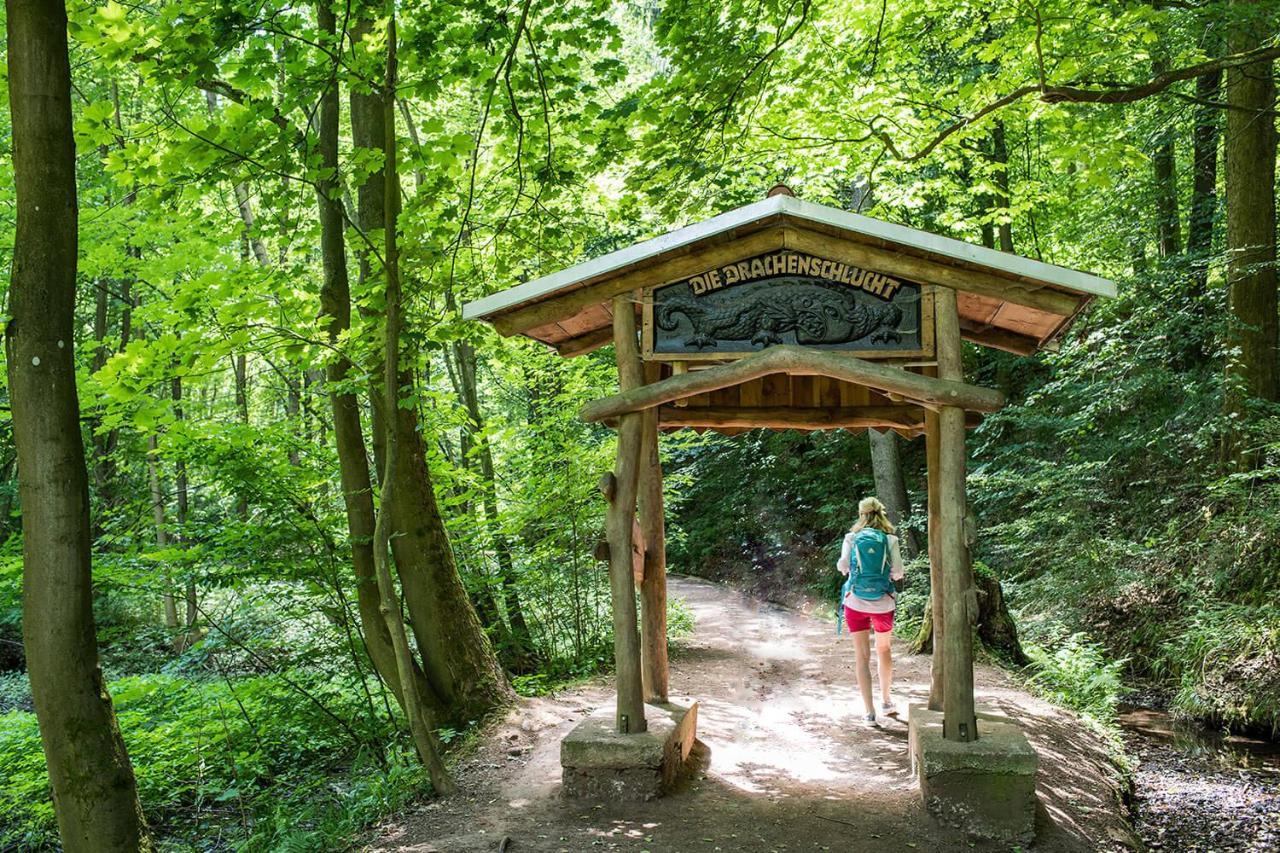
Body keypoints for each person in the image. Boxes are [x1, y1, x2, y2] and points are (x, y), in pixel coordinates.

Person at [836, 496, 905, 726]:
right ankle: (886, 701)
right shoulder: (890, 539)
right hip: (883, 604)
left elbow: (842, 566)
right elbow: (898, 572)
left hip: (855, 602)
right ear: (881, 514)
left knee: (861, 657)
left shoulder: (851, 538)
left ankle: (869, 713)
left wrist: (853, 573)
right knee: (883, 649)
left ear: (861, 514)